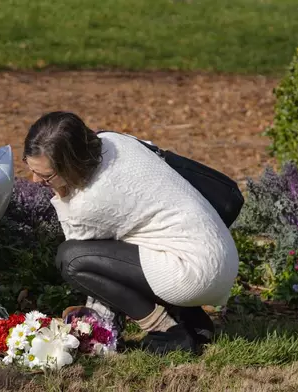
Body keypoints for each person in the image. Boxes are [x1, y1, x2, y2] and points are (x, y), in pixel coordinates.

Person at [22, 111, 239, 354]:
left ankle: (167, 332)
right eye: (30, 167)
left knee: (72, 260)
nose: (33, 180)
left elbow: (94, 265)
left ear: (71, 166)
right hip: (219, 252)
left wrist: (63, 197)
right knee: (133, 243)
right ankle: (192, 321)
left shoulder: (87, 203)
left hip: (194, 273)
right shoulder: (112, 140)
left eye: (45, 175)